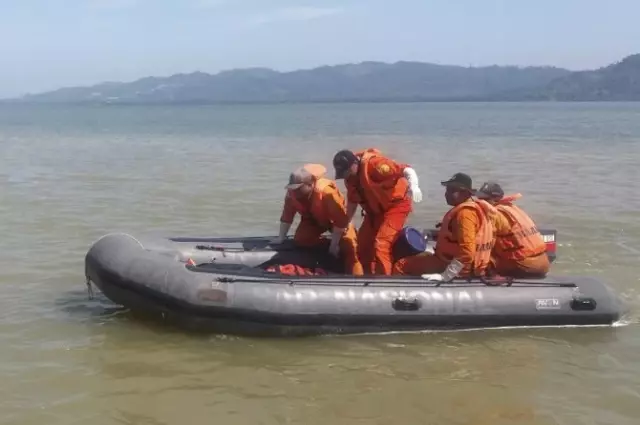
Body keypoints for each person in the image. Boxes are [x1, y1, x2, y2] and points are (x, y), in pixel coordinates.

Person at [332, 148, 422, 275]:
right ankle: (369, 276)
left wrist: (414, 186)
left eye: (346, 171)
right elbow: (351, 206)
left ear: (354, 164)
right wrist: (340, 234)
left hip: (396, 206)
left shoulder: (376, 165)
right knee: (362, 245)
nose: (345, 176)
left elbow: (407, 170)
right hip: (374, 211)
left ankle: (385, 281)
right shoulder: (351, 179)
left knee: (381, 244)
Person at [392, 172, 496, 281]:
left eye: (452, 191)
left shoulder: (465, 214)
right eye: (447, 190)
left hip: (454, 266)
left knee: (401, 265)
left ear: (465, 193)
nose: (446, 194)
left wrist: (446, 275)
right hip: (464, 263)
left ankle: (398, 294)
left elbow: (467, 252)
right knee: (422, 255)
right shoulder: (475, 208)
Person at [273, 163, 364, 276]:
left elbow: (341, 222)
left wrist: (334, 245)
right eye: (292, 188)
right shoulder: (292, 195)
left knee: (350, 247)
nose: (294, 192)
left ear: (310, 184)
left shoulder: (326, 192)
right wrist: (281, 238)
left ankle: (357, 276)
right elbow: (287, 216)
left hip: (337, 222)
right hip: (314, 220)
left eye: (298, 188)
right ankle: (327, 253)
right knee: (301, 240)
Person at [475, 182, 550, 278]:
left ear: (496, 199)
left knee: (483, 255)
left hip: (524, 266)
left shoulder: (495, 214)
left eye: (485, 199)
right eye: (480, 198)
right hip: (543, 263)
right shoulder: (513, 209)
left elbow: (484, 244)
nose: (481, 201)